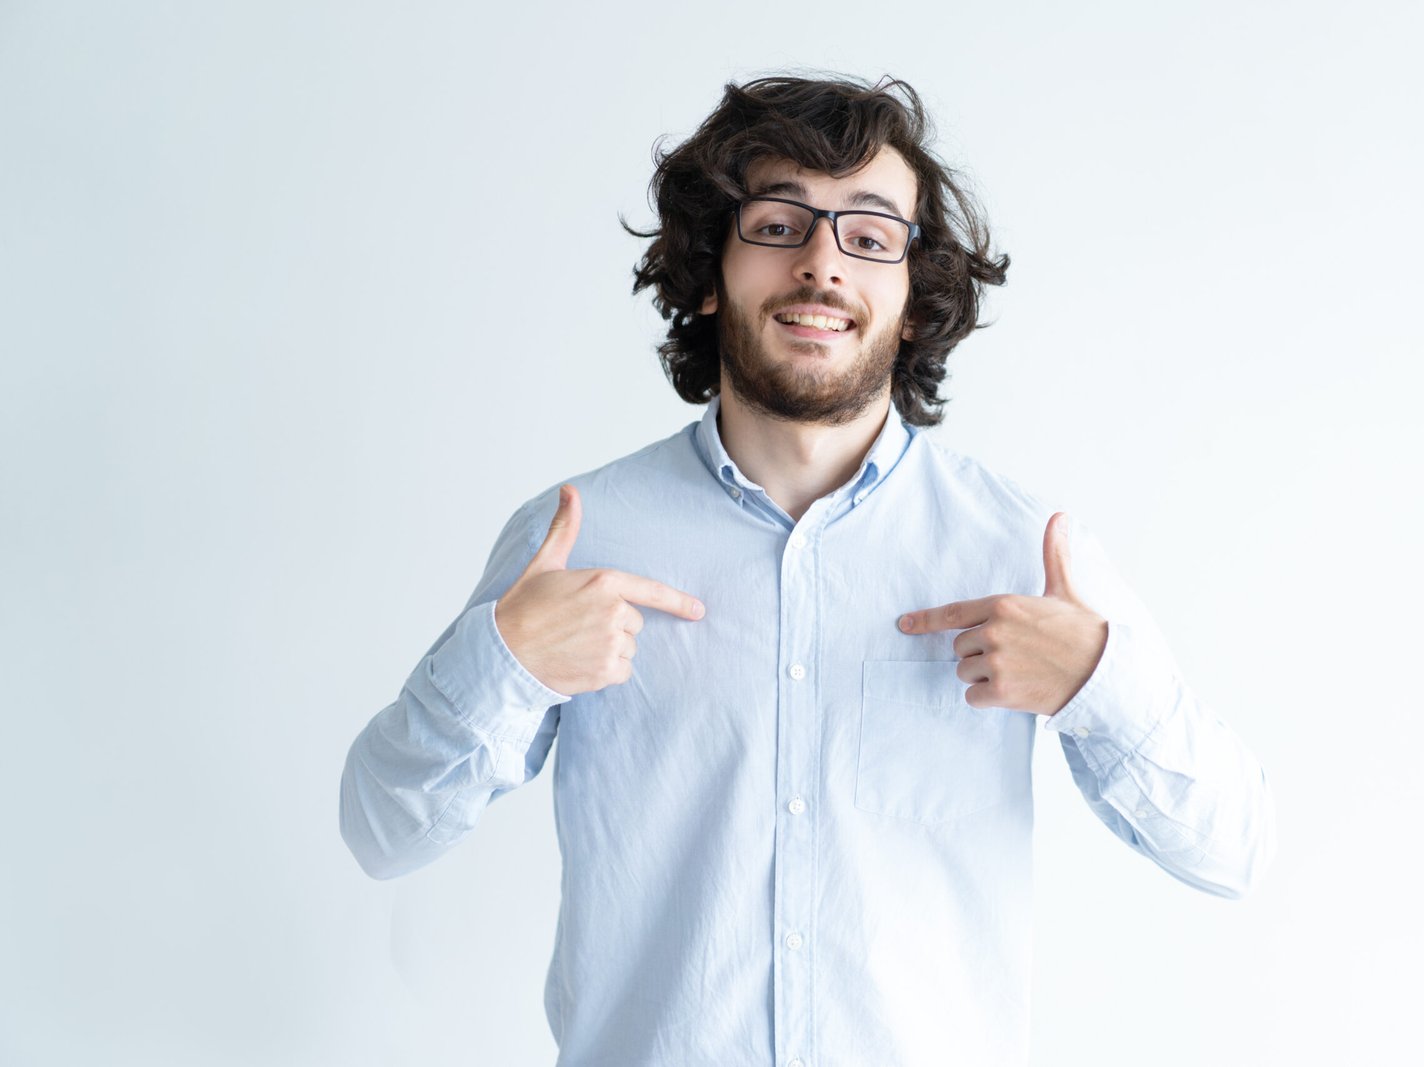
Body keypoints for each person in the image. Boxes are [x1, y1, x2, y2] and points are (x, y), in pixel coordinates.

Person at [339, 73, 1275, 1066]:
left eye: (868, 237)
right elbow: (379, 830)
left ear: (913, 301)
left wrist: (1098, 680)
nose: (823, 263)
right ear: (708, 273)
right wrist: (503, 660)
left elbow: (1233, 850)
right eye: (780, 225)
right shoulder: (578, 535)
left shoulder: (1022, 552)